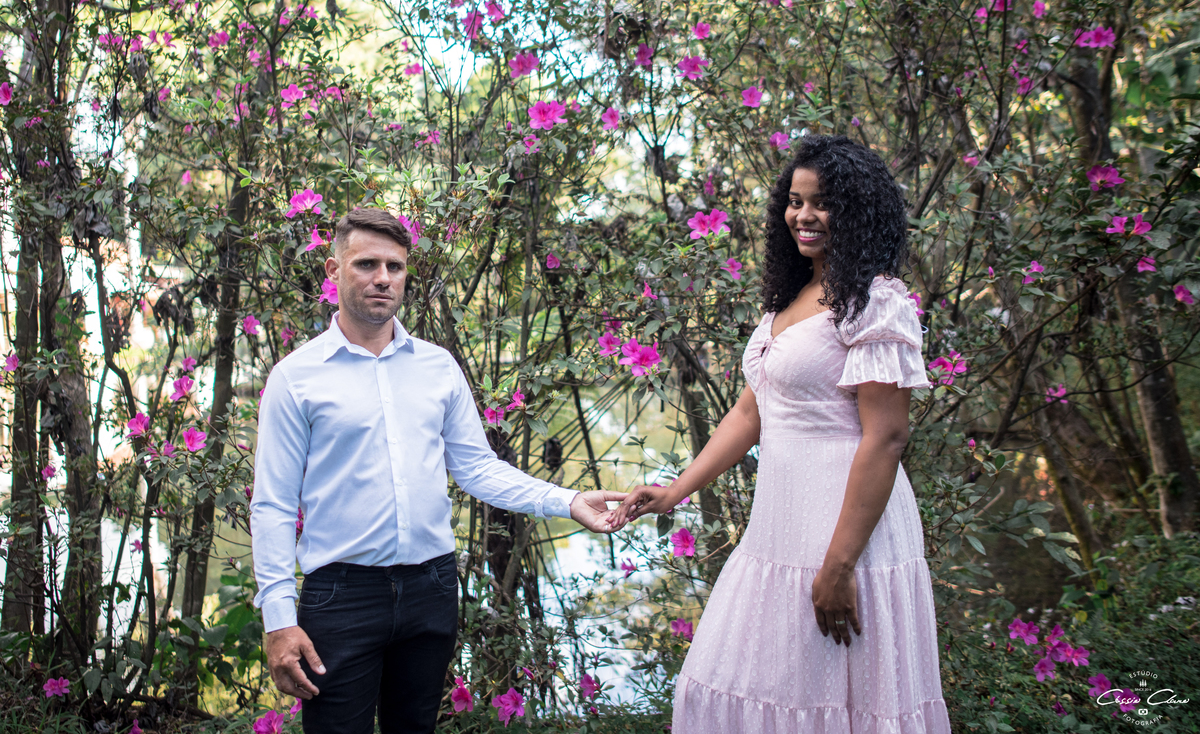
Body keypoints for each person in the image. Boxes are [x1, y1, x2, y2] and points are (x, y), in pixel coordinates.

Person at [610, 135, 952, 733]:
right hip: (780, 526)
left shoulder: (875, 303)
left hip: (847, 529)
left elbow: (887, 439)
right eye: (795, 201)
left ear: (858, 210)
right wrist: (675, 491)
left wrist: (840, 565)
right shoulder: (791, 298)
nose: (804, 215)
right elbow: (752, 413)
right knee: (730, 680)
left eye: (822, 203)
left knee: (835, 696)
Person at [250, 207, 624, 734]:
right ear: (333, 270)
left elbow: (477, 468)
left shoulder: (437, 366)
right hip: (341, 596)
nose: (383, 278)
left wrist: (568, 500)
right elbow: (272, 504)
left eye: (395, 266)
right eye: (367, 264)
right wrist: (278, 620)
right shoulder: (296, 378)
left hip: (432, 588)